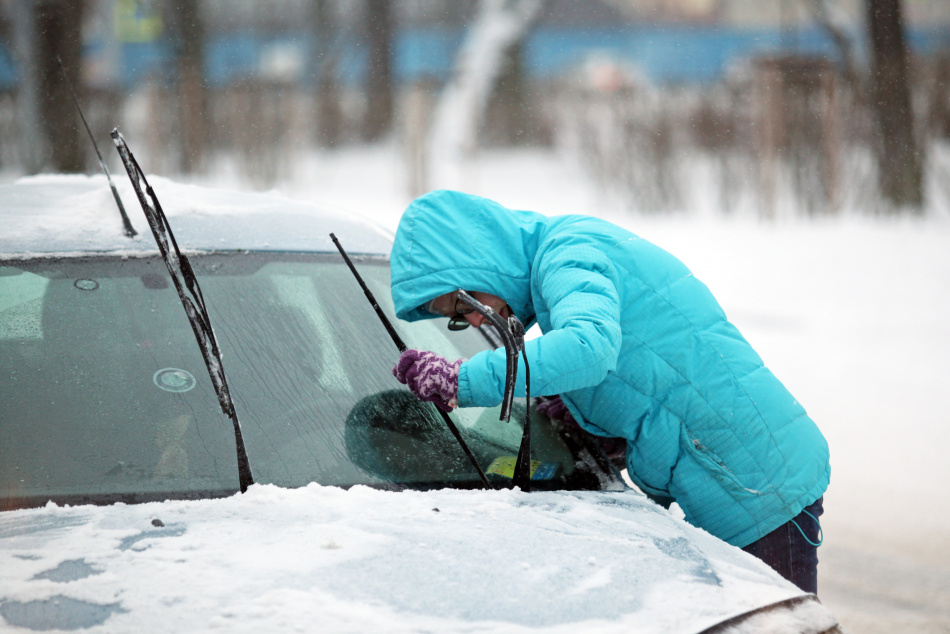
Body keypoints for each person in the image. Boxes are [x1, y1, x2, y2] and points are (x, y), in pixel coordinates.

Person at [389, 189, 830, 594]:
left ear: (477, 260)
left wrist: (463, 380)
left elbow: (590, 347)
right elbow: (646, 363)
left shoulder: (568, 252)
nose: (478, 323)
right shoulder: (559, 262)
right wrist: (588, 411)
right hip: (735, 477)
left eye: (466, 305)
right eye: (459, 320)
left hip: (758, 483)